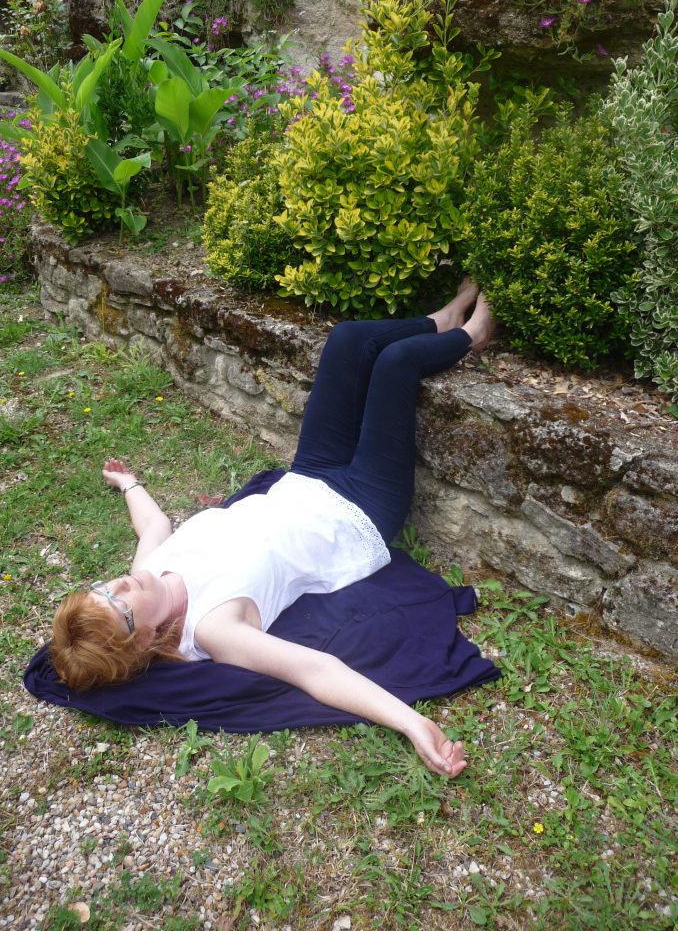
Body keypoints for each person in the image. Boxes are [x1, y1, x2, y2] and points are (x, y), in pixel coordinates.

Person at [50, 282, 495, 778]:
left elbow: (154, 525)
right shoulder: (215, 629)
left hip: (307, 477)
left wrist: (129, 483)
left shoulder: (147, 572)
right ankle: (473, 333)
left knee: (347, 341)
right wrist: (413, 724)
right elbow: (315, 670)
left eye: (101, 590)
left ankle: (443, 319)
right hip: (360, 510)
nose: (119, 585)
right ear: (143, 642)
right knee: (395, 364)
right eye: (120, 607)